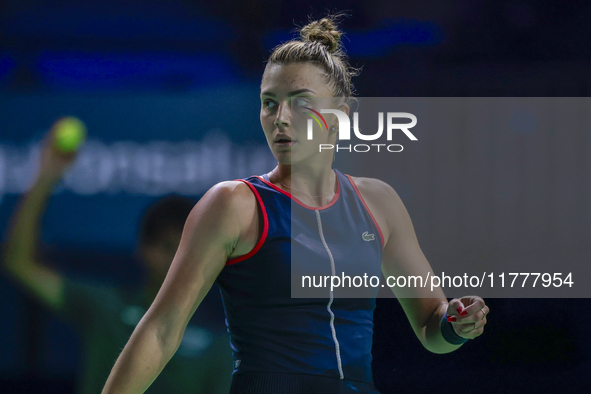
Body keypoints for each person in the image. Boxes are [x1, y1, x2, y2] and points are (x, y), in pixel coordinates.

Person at [100, 14, 490, 394]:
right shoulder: (233, 204)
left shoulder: (380, 202)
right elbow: (162, 328)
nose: (281, 118)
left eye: (300, 103)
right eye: (269, 103)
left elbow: (431, 328)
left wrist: (457, 324)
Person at [2, 128, 233, 394]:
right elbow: (19, 263)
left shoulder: (220, 341)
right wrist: (46, 176)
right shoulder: (105, 306)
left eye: (189, 248)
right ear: (143, 249)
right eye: (168, 246)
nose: (177, 259)